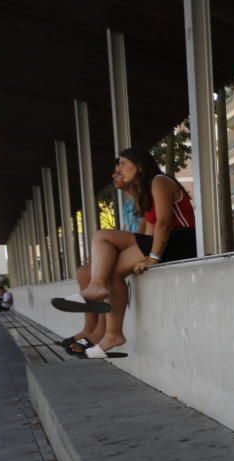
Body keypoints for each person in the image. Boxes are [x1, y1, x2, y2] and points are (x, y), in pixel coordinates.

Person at [52, 147, 196, 357]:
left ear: (139, 166)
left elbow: (164, 223)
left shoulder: (160, 181)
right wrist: (122, 254)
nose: (117, 169)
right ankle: (113, 333)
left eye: (122, 163)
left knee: (102, 235)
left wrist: (153, 258)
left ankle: (96, 290)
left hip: (184, 241)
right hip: (171, 242)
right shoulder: (146, 192)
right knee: (109, 269)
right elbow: (147, 230)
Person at [60, 166, 142, 356]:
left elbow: (146, 235)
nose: (114, 175)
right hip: (133, 249)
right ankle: (91, 328)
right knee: (84, 271)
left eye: (119, 171)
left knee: (105, 274)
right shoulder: (129, 204)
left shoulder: (146, 199)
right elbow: (125, 233)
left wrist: (150, 257)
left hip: (143, 250)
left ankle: (101, 332)